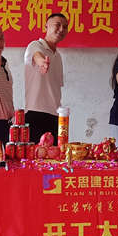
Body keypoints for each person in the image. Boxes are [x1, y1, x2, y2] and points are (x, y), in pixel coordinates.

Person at [24, 13, 69, 142]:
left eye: (65, 27)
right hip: (35, 115)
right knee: (35, 155)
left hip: (55, 116)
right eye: (57, 25)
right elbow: (37, 56)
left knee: (55, 154)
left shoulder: (58, 56)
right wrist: (42, 62)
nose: (61, 29)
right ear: (46, 27)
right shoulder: (35, 45)